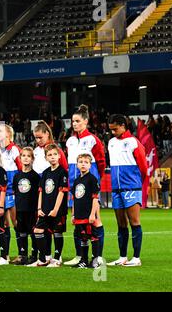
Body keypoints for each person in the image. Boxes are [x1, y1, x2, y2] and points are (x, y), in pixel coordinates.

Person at [64, 105, 106, 267]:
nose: (75, 124)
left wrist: (94, 180)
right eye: (73, 121)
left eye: (78, 121)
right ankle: (79, 256)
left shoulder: (93, 140)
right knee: (78, 222)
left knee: (95, 220)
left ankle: (98, 257)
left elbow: (101, 162)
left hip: (89, 186)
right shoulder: (70, 141)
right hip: (75, 188)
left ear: (86, 121)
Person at [107, 114, 147, 267]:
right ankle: (122, 257)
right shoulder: (111, 143)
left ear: (123, 126)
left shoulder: (133, 142)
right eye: (111, 130)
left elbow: (143, 167)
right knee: (121, 224)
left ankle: (136, 258)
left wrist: (136, 183)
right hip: (116, 188)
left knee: (134, 222)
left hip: (131, 187)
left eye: (115, 129)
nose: (112, 132)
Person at [28, 144, 68, 267]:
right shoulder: (45, 173)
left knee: (57, 232)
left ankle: (56, 259)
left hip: (58, 210)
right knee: (38, 231)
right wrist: (39, 208)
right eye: (49, 155)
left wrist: (56, 209)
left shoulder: (63, 172)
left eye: (55, 154)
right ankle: (46, 257)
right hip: (44, 209)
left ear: (59, 156)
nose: (52, 157)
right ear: (46, 158)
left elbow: (62, 192)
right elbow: (41, 191)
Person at [0, 123, 22, 262]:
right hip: (2, 193)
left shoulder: (14, 150)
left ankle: (21, 253)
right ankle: (5, 255)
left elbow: (21, 169)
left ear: (8, 134)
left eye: (0, 131)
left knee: (16, 223)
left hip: (12, 192)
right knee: (4, 224)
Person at [71, 154, 101, 268]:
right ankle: (83, 260)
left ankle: (95, 260)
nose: (83, 164)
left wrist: (93, 214)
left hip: (88, 215)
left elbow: (95, 198)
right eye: (81, 162)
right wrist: (73, 214)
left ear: (90, 164)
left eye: (86, 162)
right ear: (77, 164)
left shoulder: (92, 179)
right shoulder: (76, 180)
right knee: (82, 238)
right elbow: (74, 199)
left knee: (93, 236)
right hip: (79, 215)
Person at [12, 147, 40, 265]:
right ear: (20, 158)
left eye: (28, 156)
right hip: (20, 209)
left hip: (32, 209)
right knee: (21, 232)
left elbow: (39, 194)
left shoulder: (35, 177)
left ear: (32, 159)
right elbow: (15, 193)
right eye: (23, 156)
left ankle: (34, 256)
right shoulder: (17, 176)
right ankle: (23, 255)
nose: (26, 158)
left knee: (33, 232)